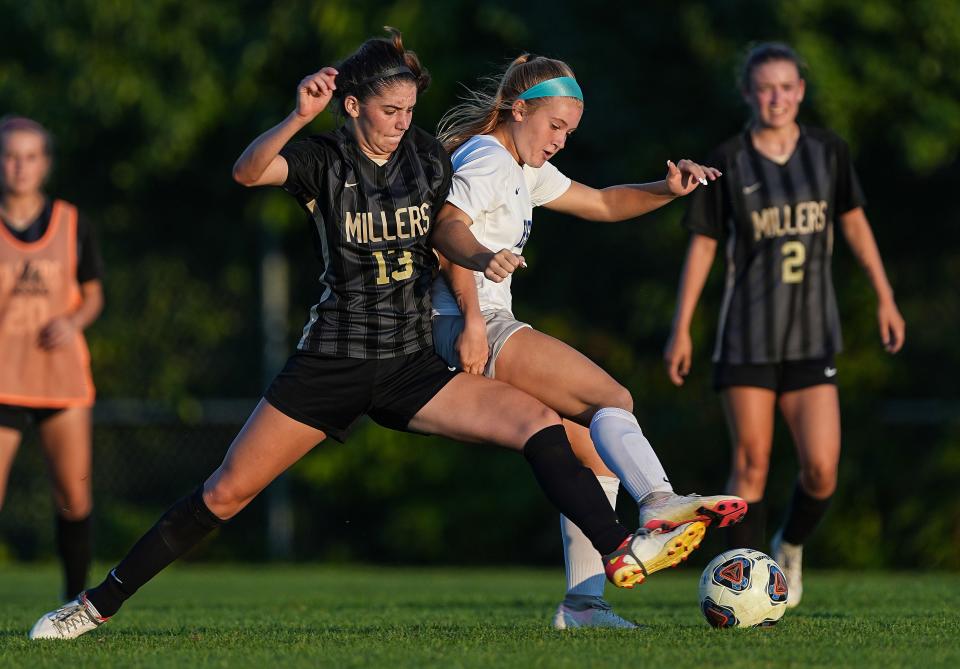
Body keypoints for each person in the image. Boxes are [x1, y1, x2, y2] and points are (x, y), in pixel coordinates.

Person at [29, 29, 708, 641]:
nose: (401, 124)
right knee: (225, 493)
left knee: (537, 422)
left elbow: (446, 226)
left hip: (409, 361)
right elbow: (247, 171)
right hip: (332, 361)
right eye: (389, 112)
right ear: (350, 106)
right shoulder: (322, 160)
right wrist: (298, 115)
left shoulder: (424, 159)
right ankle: (95, 603)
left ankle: (619, 550)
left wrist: (476, 255)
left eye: (410, 112)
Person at [431, 55, 748, 630]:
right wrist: (474, 314)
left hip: (473, 319)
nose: (559, 141)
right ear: (518, 109)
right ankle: (657, 503)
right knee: (614, 398)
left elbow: (601, 202)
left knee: (594, 450)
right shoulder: (488, 160)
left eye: (569, 133)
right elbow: (446, 227)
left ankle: (583, 606)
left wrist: (667, 189)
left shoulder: (518, 166)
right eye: (554, 126)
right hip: (465, 323)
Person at [663, 43, 905, 608]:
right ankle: (738, 588)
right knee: (751, 463)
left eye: (787, 87)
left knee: (822, 470)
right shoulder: (729, 160)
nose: (776, 97)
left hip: (812, 334)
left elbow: (854, 223)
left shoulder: (828, 153)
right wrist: (681, 327)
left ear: (801, 91)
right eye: (765, 87)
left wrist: (885, 296)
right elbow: (702, 247)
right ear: (748, 93)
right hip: (746, 334)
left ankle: (789, 546)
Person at [0, 116, 104, 601]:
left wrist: (74, 321)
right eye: (10, 155)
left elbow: (93, 296)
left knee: (73, 498)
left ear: (45, 164)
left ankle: (73, 605)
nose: (20, 167)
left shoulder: (71, 221)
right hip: (4, 378)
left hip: (60, 379)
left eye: (30, 156)